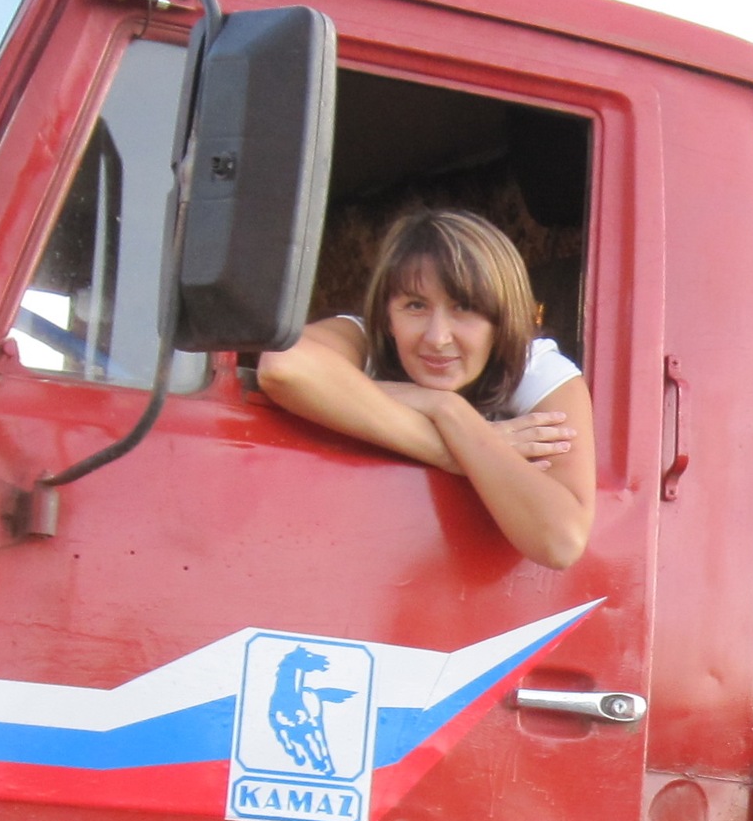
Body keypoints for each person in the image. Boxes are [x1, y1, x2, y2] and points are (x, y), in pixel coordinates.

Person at [255, 210, 595, 569]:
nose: (437, 338)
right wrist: (453, 443)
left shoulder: (535, 368)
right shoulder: (362, 340)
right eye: (415, 306)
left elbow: (560, 543)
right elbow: (284, 366)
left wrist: (451, 414)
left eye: (464, 307)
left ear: (501, 320)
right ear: (387, 317)